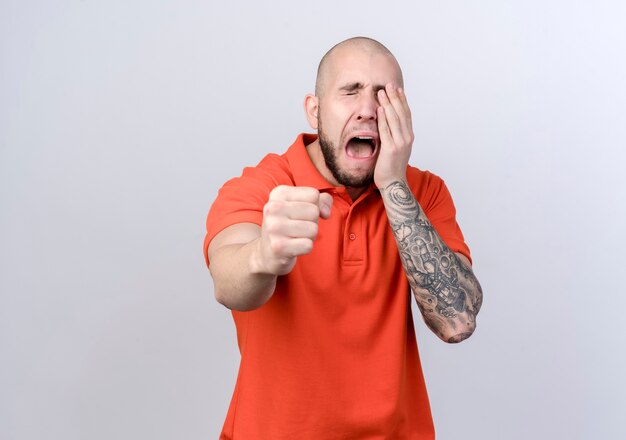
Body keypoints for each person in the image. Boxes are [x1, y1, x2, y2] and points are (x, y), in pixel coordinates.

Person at [203, 36, 483, 440]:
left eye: (384, 96)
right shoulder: (264, 185)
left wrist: (392, 184)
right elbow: (227, 282)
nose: (368, 110)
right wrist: (262, 255)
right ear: (314, 111)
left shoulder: (424, 192)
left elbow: (457, 322)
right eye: (350, 92)